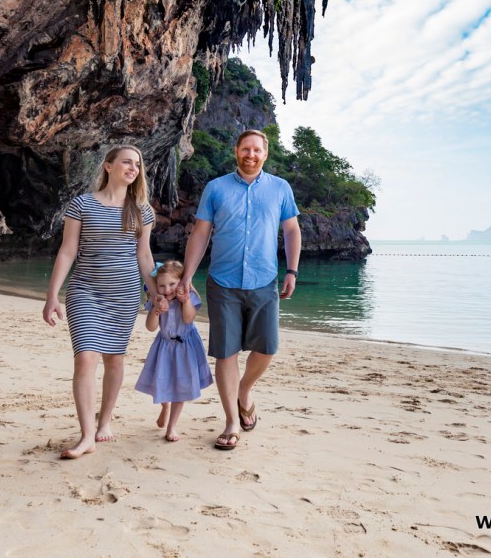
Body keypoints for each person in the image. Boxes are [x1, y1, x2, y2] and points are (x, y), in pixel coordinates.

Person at [177, 129, 301, 451]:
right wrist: (187, 275)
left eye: (257, 150)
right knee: (226, 352)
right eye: (245, 149)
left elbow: (291, 230)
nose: (251, 155)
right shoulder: (216, 189)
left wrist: (292, 271)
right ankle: (232, 421)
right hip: (223, 282)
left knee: (268, 349)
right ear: (236, 151)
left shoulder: (280, 189)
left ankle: (244, 391)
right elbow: (201, 233)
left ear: (266, 153)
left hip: (265, 280)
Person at [42, 145, 157, 459]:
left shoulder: (142, 210)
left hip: (124, 296)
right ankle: (87, 435)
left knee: (115, 360)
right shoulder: (81, 205)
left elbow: (144, 256)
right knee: (85, 358)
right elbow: (67, 251)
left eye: (137, 164)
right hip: (85, 292)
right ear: (108, 166)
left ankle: (105, 422)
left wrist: (155, 293)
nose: (133, 168)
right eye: (126, 162)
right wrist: (52, 296)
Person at [135, 260, 213, 442]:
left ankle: (172, 426)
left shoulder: (189, 298)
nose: (167, 289)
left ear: (181, 283)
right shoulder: (157, 301)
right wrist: (155, 311)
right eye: (161, 286)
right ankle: (165, 406)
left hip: (185, 346)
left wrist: (185, 301)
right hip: (164, 347)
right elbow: (150, 328)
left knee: (181, 387)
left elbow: (188, 319)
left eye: (172, 284)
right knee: (161, 381)